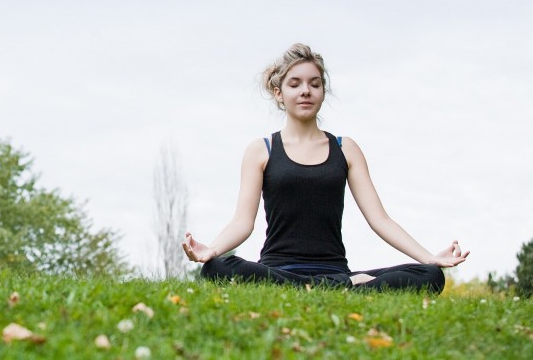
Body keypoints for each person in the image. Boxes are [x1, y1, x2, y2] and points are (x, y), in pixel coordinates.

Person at [182, 43, 468, 293]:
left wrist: (430, 257)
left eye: (314, 84)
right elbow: (242, 223)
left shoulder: (346, 149)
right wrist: (212, 249)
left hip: (334, 269)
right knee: (216, 267)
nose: (305, 91)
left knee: (430, 276)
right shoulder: (261, 150)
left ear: (322, 90)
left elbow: (380, 219)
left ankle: (324, 286)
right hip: (278, 271)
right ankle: (344, 289)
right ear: (278, 93)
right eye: (295, 84)